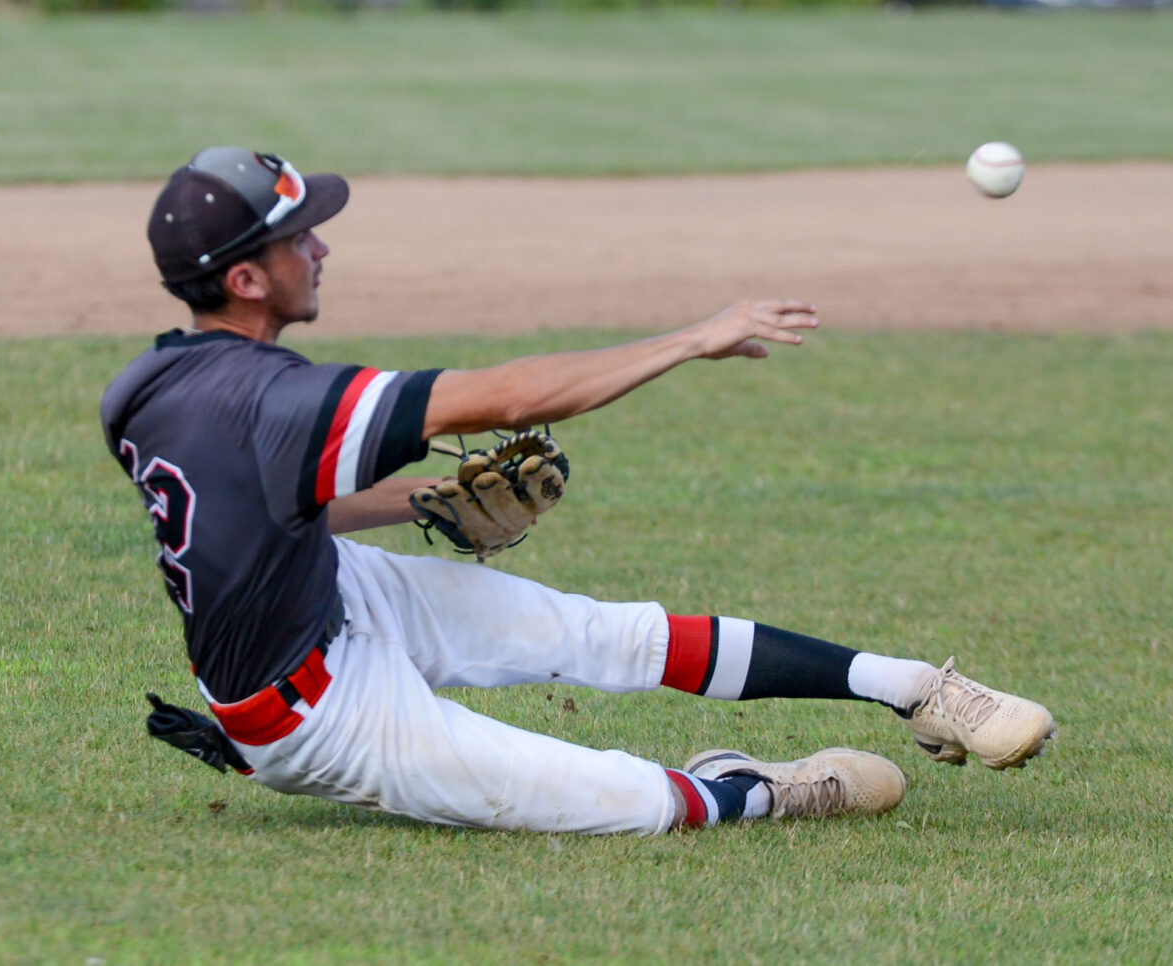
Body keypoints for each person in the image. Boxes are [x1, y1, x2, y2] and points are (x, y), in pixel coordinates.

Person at [104, 147, 1056, 836]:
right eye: (296, 240)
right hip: (314, 720)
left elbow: (255, 512)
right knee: (633, 804)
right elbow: (509, 395)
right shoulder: (273, 398)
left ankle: (917, 689)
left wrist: (423, 503)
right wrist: (691, 339)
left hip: (334, 590)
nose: (319, 251)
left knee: (604, 631)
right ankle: (751, 786)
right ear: (243, 278)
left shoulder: (150, 389)